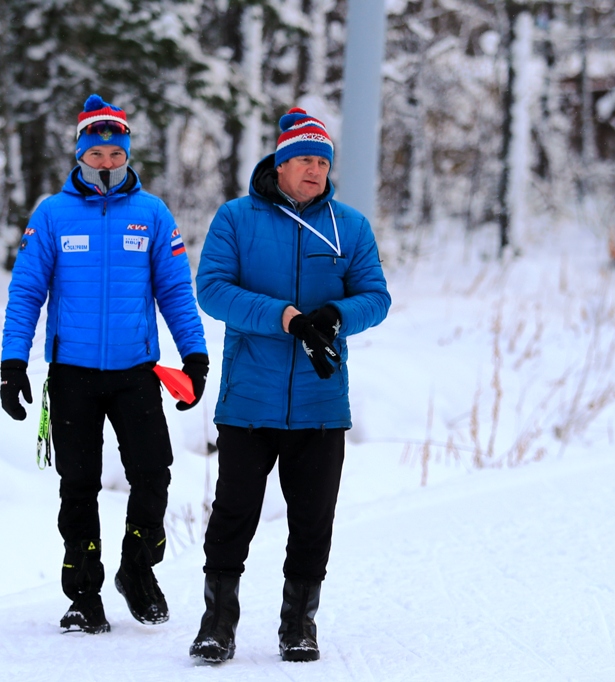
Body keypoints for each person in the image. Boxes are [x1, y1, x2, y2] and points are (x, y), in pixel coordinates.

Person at [0, 94, 209, 635]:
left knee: (153, 473)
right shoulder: (52, 214)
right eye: (97, 153)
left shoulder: (152, 214)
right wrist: (13, 362)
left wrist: (195, 353)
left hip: (135, 371)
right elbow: (26, 293)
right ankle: (83, 596)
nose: (107, 162)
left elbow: (175, 292)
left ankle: (137, 570)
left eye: (116, 153)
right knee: (79, 483)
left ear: (127, 155)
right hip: (71, 375)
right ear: (80, 155)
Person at [189, 107, 390, 663]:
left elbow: (377, 296)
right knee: (233, 515)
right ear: (279, 165)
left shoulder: (349, 225)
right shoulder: (236, 219)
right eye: (304, 159)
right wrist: (284, 317)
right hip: (248, 400)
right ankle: (217, 623)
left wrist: (333, 316)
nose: (315, 170)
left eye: (322, 162)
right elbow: (212, 290)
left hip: (321, 404)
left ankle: (299, 624)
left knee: (312, 519)